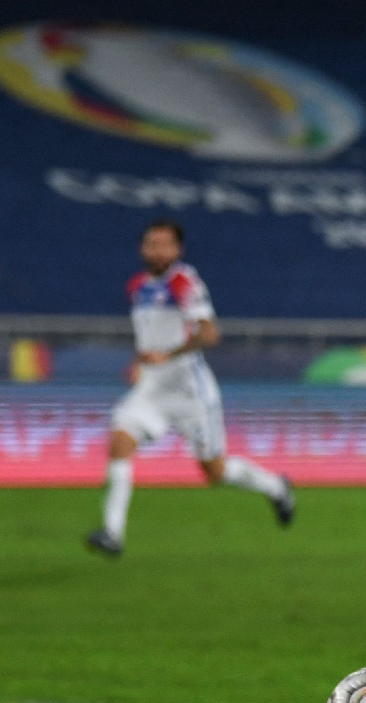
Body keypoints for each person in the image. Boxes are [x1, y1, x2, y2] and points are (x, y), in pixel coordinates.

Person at [86, 220, 293, 557]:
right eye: (152, 244)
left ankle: (275, 486)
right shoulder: (137, 286)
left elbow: (209, 334)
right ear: (142, 249)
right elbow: (151, 337)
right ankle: (112, 533)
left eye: (165, 245)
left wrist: (167, 355)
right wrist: (140, 361)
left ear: (178, 250)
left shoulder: (185, 282)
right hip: (153, 389)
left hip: (190, 392)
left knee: (214, 471)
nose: (158, 250)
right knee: (120, 441)